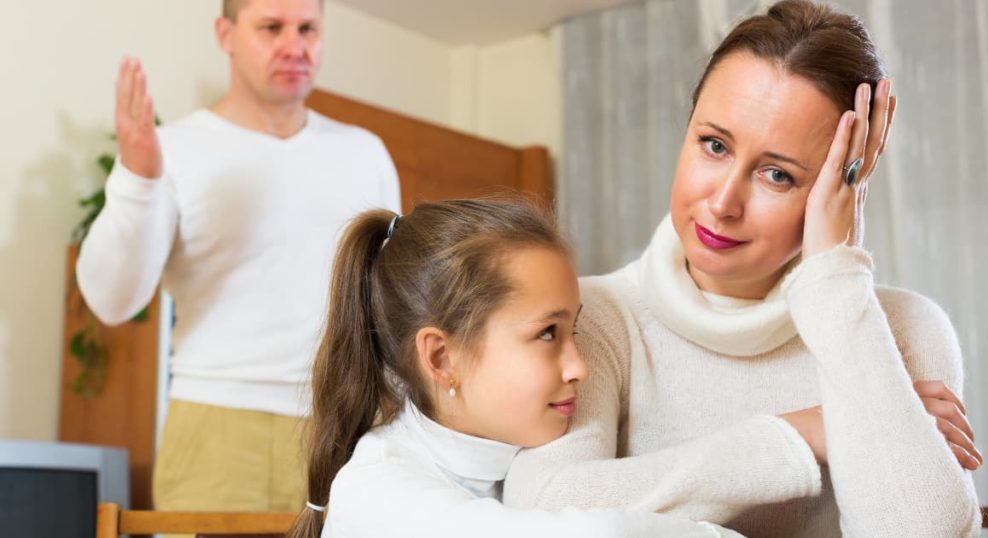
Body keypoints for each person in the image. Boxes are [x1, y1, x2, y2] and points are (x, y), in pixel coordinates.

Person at [503, 1, 982, 536]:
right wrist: (804, 433)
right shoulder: (592, 316)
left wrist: (835, 285)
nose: (723, 202)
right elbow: (543, 509)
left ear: (841, 185)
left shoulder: (903, 329)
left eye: (777, 175)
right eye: (714, 145)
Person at [76, 0, 401, 515]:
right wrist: (139, 178)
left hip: (344, 422)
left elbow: (389, 303)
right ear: (225, 35)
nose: (294, 45)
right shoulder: (170, 149)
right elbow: (111, 301)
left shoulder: (366, 153)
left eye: (308, 29)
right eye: (271, 28)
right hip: (214, 422)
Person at [286, 199, 744, 538]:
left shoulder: (521, 458)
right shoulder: (377, 492)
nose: (580, 367)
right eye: (547, 333)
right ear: (443, 359)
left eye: (574, 331)